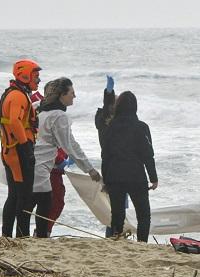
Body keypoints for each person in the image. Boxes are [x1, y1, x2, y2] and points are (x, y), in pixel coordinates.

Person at [31, 77, 101, 238]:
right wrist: (89, 169)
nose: (74, 96)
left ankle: (30, 236)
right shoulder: (59, 116)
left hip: (33, 162)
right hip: (43, 166)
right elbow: (70, 145)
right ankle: (41, 236)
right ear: (62, 95)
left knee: (31, 203)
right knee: (48, 203)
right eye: (71, 93)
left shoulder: (40, 109)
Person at [102, 91, 157, 242]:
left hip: (115, 176)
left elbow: (105, 155)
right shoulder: (141, 127)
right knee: (144, 215)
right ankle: (142, 243)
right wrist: (154, 178)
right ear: (135, 107)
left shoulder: (110, 127)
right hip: (135, 176)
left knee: (117, 214)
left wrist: (106, 180)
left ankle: (117, 240)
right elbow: (147, 154)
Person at [0, 59, 41, 238]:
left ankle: (7, 235)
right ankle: (21, 236)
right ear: (25, 75)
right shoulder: (17, 96)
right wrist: (25, 147)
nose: (38, 80)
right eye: (36, 76)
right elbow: (15, 121)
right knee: (24, 196)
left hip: (11, 151)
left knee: (15, 195)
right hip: (18, 152)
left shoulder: (15, 93)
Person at [95, 75, 117, 237]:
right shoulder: (106, 123)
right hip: (112, 168)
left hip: (111, 167)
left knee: (116, 206)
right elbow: (108, 105)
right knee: (117, 207)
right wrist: (109, 92)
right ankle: (112, 234)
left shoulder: (110, 123)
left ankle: (113, 233)